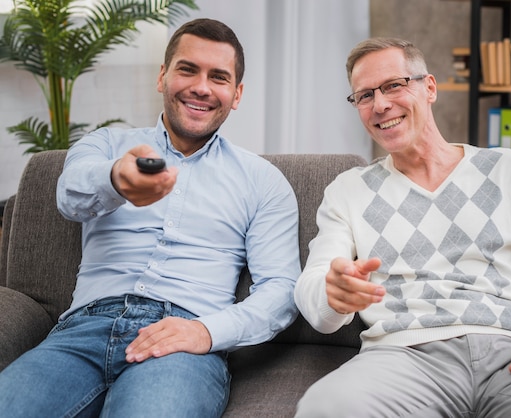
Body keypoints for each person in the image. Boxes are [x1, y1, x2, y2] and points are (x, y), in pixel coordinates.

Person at [294, 37, 511, 417]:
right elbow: (315, 289)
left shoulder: (508, 169)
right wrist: (331, 295)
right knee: (323, 408)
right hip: (403, 359)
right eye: (364, 95)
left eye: (393, 85)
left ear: (429, 87)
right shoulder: (347, 190)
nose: (380, 104)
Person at [0, 18, 301, 417]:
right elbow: (69, 194)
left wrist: (205, 331)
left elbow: (281, 289)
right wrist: (115, 180)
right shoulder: (107, 144)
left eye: (219, 77)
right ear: (163, 76)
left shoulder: (264, 181)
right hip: (81, 332)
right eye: (187, 69)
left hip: (182, 342)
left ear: (237, 93)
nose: (201, 87)